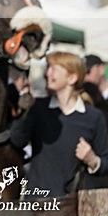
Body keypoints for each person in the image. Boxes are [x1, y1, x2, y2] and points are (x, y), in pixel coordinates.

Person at [10, 52, 108, 197]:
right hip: (37, 205)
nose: (47, 73)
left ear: (72, 78)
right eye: (48, 68)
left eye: (54, 69)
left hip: (75, 208)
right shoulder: (37, 108)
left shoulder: (93, 117)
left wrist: (92, 160)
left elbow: (106, 162)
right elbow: (17, 141)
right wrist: (23, 112)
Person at [83, 54, 108, 123]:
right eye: (82, 73)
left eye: (88, 72)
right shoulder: (83, 97)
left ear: (101, 69)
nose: (84, 77)